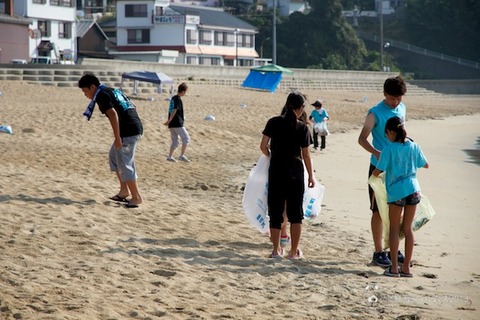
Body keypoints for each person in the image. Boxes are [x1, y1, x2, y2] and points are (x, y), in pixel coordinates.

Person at [358, 76, 407, 267]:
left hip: (399, 168)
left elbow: (403, 134)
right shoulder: (375, 113)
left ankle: (394, 247)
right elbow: (362, 139)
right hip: (378, 168)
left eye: (399, 98)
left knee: (398, 210)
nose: (395, 102)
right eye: (392, 98)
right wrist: (378, 154)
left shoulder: (402, 108)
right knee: (378, 211)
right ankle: (378, 252)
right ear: (384, 94)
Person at [260, 91, 315, 259]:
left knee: (275, 213)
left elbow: (263, 146)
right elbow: (306, 155)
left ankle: (276, 250)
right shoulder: (303, 127)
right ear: (300, 108)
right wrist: (311, 176)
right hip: (295, 173)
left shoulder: (274, 122)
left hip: (276, 171)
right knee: (296, 214)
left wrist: (272, 156)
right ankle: (293, 252)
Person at [372, 116, 429, 277]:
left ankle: (395, 268)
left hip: (396, 192)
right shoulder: (413, 145)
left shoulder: (389, 150)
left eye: (387, 134)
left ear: (390, 132)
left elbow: (377, 171)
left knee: (394, 229)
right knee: (408, 229)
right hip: (413, 190)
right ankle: (407, 269)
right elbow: (425, 164)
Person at [79, 73, 143, 208]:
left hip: (129, 131)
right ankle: (124, 190)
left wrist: (117, 137)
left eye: (85, 90)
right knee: (114, 156)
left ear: (92, 86)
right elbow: (133, 105)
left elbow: (113, 114)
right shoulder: (111, 90)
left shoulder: (101, 95)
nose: (85, 94)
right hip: (132, 127)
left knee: (126, 164)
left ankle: (136, 197)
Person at [164, 82, 190, 162]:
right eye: (185, 92)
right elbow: (174, 110)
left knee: (175, 141)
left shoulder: (173, 98)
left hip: (172, 124)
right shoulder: (178, 99)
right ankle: (182, 155)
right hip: (177, 123)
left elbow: (172, 110)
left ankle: (170, 156)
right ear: (183, 91)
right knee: (186, 138)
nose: (185, 93)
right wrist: (169, 120)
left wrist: (169, 121)